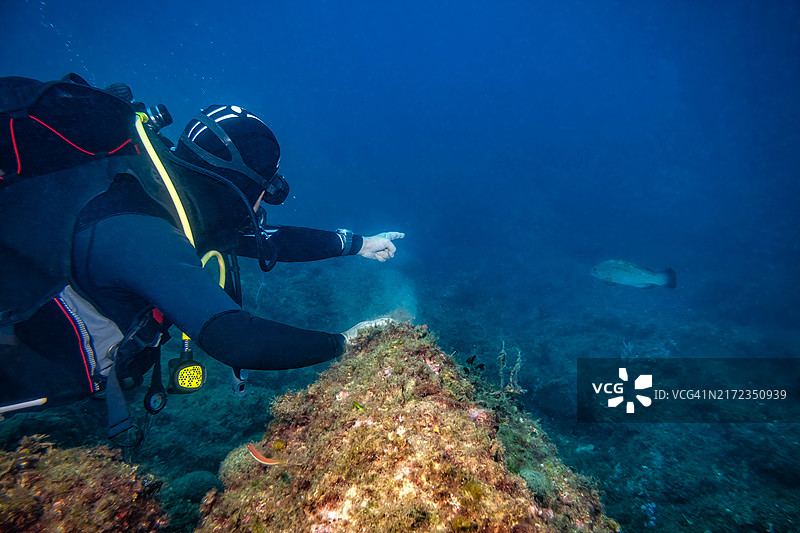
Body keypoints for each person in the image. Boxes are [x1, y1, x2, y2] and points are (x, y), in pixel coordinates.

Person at [0, 78, 403, 441]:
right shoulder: (142, 230)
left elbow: (266, 240)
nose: (267, 200)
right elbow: (237, 340)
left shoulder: (170, 191)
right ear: (243, 182)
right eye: (270, 186)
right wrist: (348, 343)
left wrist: (359, 243)